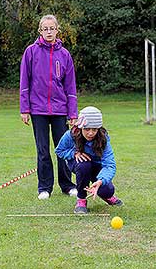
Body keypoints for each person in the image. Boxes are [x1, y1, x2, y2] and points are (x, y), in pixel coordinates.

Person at [20, 14, 78, 200]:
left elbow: (70, 86)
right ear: (40, 31)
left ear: (57, 30)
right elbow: (24, 81)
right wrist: (24, 109)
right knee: (43, 150)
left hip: (60, 110)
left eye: (52, 28)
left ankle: (67, 185)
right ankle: (44, 187)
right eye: (45, 29)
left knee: (63, 149)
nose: (49, 32)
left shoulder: (65, 54)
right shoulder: (30, 52)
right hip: (38, 110)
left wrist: (73, 112)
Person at [55, 106, 123, 214]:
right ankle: (81, 200)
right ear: (81, 126)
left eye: (94, 129)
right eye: (87, 129)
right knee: (84, 165)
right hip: (79, 164)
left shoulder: (103, 138)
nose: (90, 133)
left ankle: (107, 196)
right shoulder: (70, 135)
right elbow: (59, 151)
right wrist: (74, 153)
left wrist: (100, 181)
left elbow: (110, 165)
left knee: (107, 190)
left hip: (97, 166)